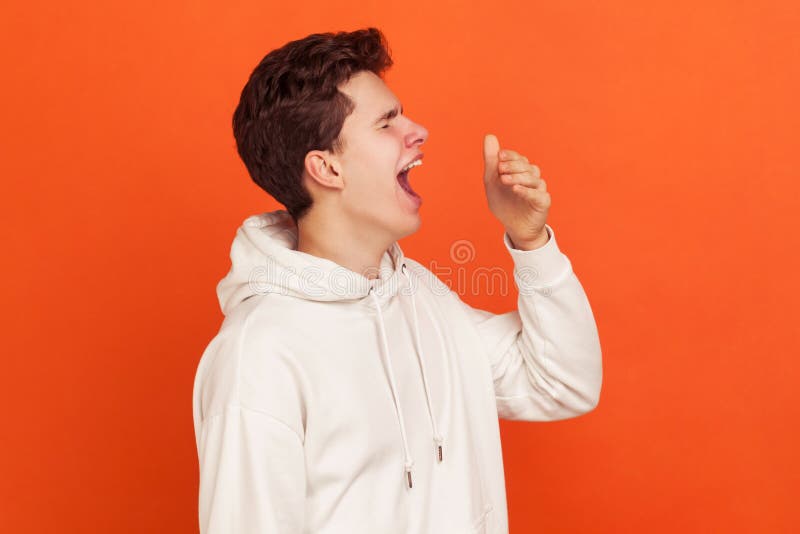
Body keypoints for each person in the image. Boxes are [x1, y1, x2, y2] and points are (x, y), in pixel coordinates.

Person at [192, 27, 603, 534]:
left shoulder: (423, 298)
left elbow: (564, 384)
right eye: (387, 123)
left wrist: (530, 239)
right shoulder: (258, 353)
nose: (419, 130)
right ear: (326, 168)